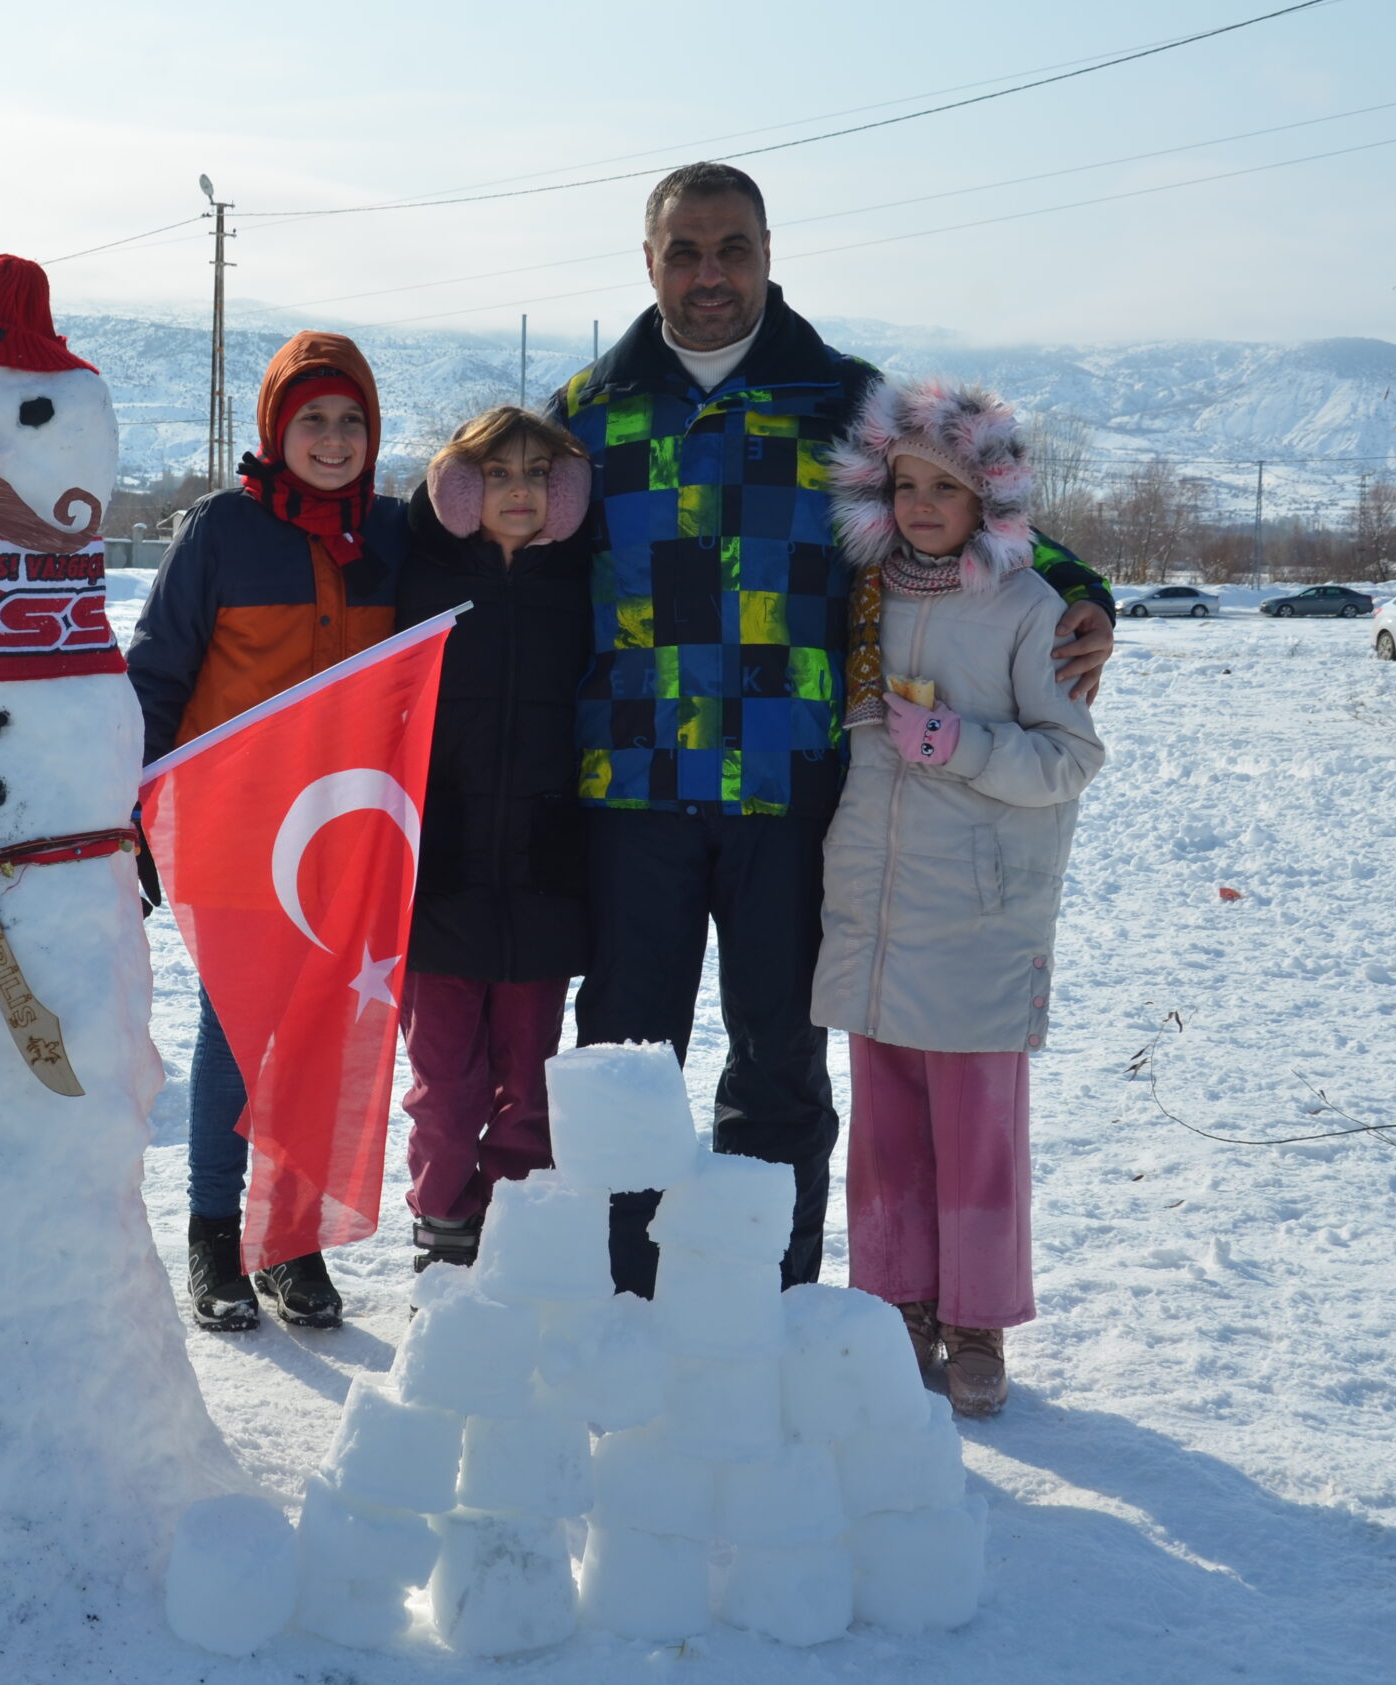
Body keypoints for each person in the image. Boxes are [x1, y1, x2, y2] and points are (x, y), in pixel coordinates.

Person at [547, 163, 1117, 1298]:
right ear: (648, 261)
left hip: (794, 778)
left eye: (733, 248)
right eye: (684, 252)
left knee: (780, 1061)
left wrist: (1075, 581)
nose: (710, 274)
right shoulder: (589, 410)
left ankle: (769, 1300)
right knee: (625, 1057)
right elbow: (499, 534)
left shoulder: (847, 401)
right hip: (634, 780)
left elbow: (966, 504)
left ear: (769, 252)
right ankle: (618, 1297)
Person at [811, 378, 1104, 1417]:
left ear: (990, 495)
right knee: (886, 1130)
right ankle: (897, 1303)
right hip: (877, 909)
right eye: (905, 485)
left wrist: (960, 743)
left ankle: (977, 1320)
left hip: (980, 916)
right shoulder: (863, 596)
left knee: (978, 1133)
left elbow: (1069, 758)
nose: (922, 505)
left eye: (944, 486)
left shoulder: (1028, 606)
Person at [126, 331, 406, 1332]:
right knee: (240, 1033)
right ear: (275, 430)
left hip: (348, 836)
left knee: (322, 1036)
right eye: (311, 419)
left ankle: (289, 1240)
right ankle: (214, 1232)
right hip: (236, 830)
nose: (332, 439)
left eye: (350, 420)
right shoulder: (221, 532)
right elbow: (156, 673)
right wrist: (131, 813)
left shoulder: (395, 533)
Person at [392, 407, 595, 1271]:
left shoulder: (583, 580)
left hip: (545, 872)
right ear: (461, 485)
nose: (520, 491)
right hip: (441, 871)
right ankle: (443, 1228)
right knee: (445, 1080)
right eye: (499, 472)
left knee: (530, 1075)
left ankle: (514, 1230)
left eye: (538, 474)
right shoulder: (417, 574)